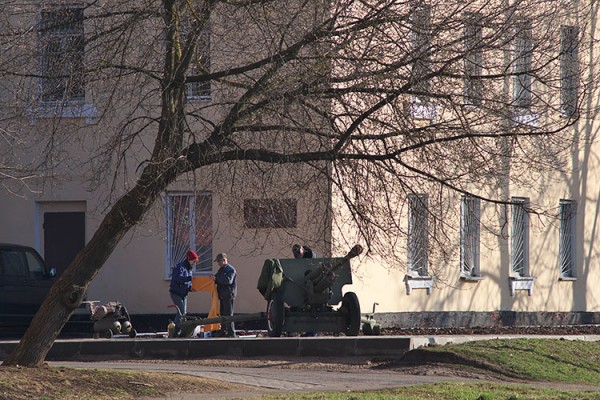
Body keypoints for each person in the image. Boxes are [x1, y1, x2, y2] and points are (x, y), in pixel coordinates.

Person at [169, 250, 198, 337]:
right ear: (189, 259)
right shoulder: (180, 267)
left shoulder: (189, 268)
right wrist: (189, 278)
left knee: (183, 313)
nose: (194, 263)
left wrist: (190, 288)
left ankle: (178, 331)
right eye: (194, 261)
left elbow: (187, 282)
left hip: (184, 294)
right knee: (181, 312)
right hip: (176, 293)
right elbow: (177, 279)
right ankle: (175, 332)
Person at [212, 252, 237, 337]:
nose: (218, 263)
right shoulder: (221, 270)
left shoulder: (231, 269)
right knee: (223, 314)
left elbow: (228, 280)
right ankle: (223, 331)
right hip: (222, 295)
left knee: (229, 315)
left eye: (219, 261)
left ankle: (231, 333)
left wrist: (216, 279)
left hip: (228, 295)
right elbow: (217, 277)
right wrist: (213, 279)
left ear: (224, 260)